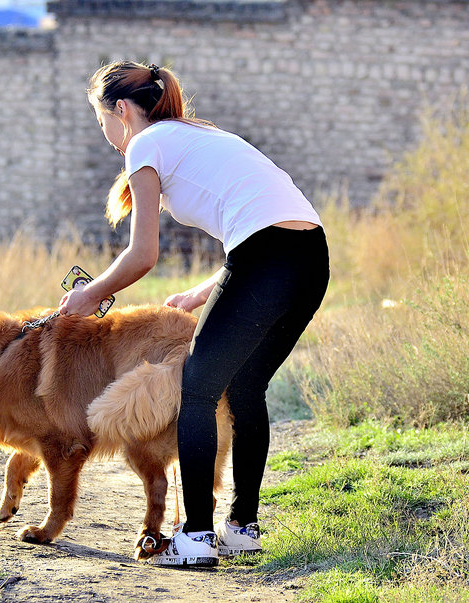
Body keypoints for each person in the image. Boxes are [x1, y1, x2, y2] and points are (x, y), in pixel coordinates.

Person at [59, 61, 329, 567]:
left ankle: (196, 538)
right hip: (310, 257)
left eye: (102, 124)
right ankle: (242, 528)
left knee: (198, 388)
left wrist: (90, 293)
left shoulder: (146, 144)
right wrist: (202, 293)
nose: (108, 138)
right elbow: (261, 225)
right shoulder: (195, 134)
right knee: (246, 387)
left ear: (120, 110)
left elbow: (142, 255)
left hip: (266, 258)